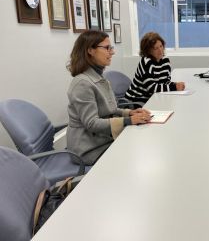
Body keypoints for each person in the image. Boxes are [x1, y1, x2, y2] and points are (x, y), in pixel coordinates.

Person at [66, 30, 151, 165]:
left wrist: (130, 112)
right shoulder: (82, 83)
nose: (112, 52)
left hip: (101, 140)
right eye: (107, 48)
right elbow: (92, 123)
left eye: (111, 48)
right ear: (90, 50)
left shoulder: (98, 77)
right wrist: (129, 120)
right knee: (136, 154)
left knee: (140, 145)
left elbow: (109, 109)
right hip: (89, 149)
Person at [125, 32, 185, 108]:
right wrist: (174, 87)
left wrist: (175, 85)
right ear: (148, 51)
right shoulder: (146, 62)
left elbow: (165, 82)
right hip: (137, 100)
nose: (160, 50)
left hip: (153, 97)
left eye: (161, 46)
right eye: (155, 48)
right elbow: (152, 88)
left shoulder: (165, 61)